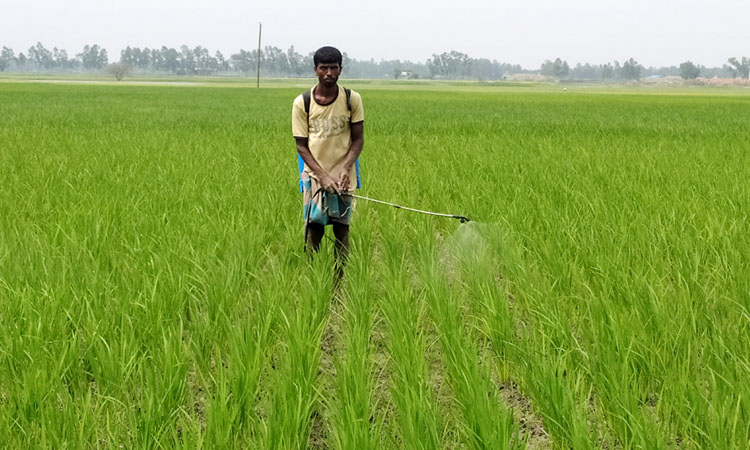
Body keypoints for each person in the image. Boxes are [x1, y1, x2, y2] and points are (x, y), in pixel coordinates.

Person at [292, 46, 364, 281]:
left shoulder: (351, 99)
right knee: (315, 228)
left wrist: (344, 168)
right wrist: (322, 176)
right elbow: (302, 146)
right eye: (324, 68)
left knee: (342, 230)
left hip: (344, 176)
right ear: (315, 70)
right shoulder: (302, 103)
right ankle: (315, 280)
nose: (329, 73)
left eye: (334, 68)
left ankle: (338, 280)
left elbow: (358, 140)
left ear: (340, 70)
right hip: (314, 176)